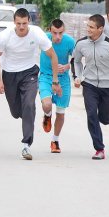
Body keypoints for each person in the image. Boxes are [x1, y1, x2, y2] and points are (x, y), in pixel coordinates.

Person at [0, 8, 60, 161]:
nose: (21, 27)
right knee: (16, 112)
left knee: (29, 104)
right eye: (18, 24)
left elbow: (53, 55)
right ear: (14, 22)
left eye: (24, 23)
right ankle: (28, 115)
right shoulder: (5, 36)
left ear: (29, 21)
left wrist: (55, 81)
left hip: (30, 72)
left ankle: (26, 144)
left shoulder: (36, 33)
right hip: (9, 74)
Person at [71, 14, 109, 160]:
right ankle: (99, 149)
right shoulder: (81, 44)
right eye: (88, 26)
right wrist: (77, 77)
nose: (88, 29)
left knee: (106, 119)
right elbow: (75, 61)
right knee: (91, 114)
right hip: (89, 85)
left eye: (91, 27)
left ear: (100, 29)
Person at [39, 19, 75, 154]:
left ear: (64, 31)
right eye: (55, 33)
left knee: (60, 112)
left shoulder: (70, 42)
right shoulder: (43, 38)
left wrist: (66, 66)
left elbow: (77, 59)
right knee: (47, 104)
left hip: (63, 79)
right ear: (50, 31)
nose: (58, 36)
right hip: (46, 76)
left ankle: (55, 141)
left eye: (60, 33)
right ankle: (47, 115)